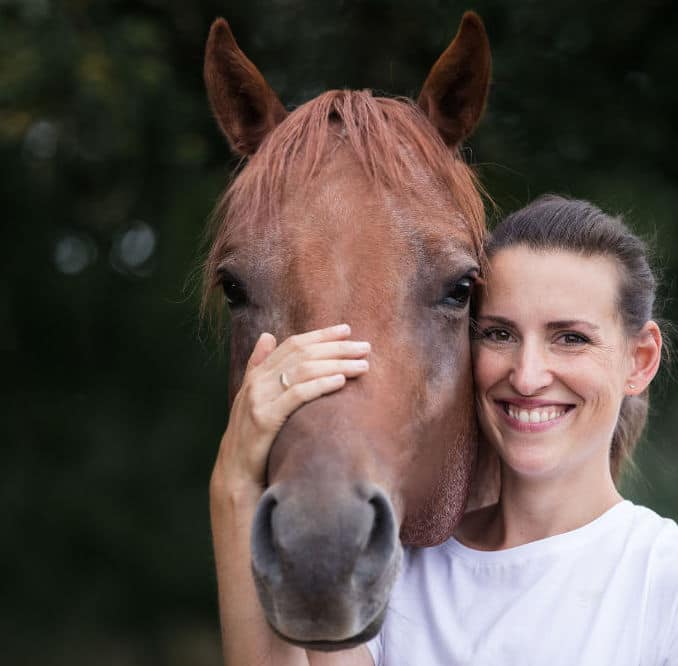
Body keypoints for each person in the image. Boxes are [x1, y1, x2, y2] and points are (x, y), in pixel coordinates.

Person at [209, 195, 678, 665]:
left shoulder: (662, 578)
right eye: (499, 334)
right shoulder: (386, 562)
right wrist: (234, 481)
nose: (527, 375)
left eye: (571, 338)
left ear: (640, 361)